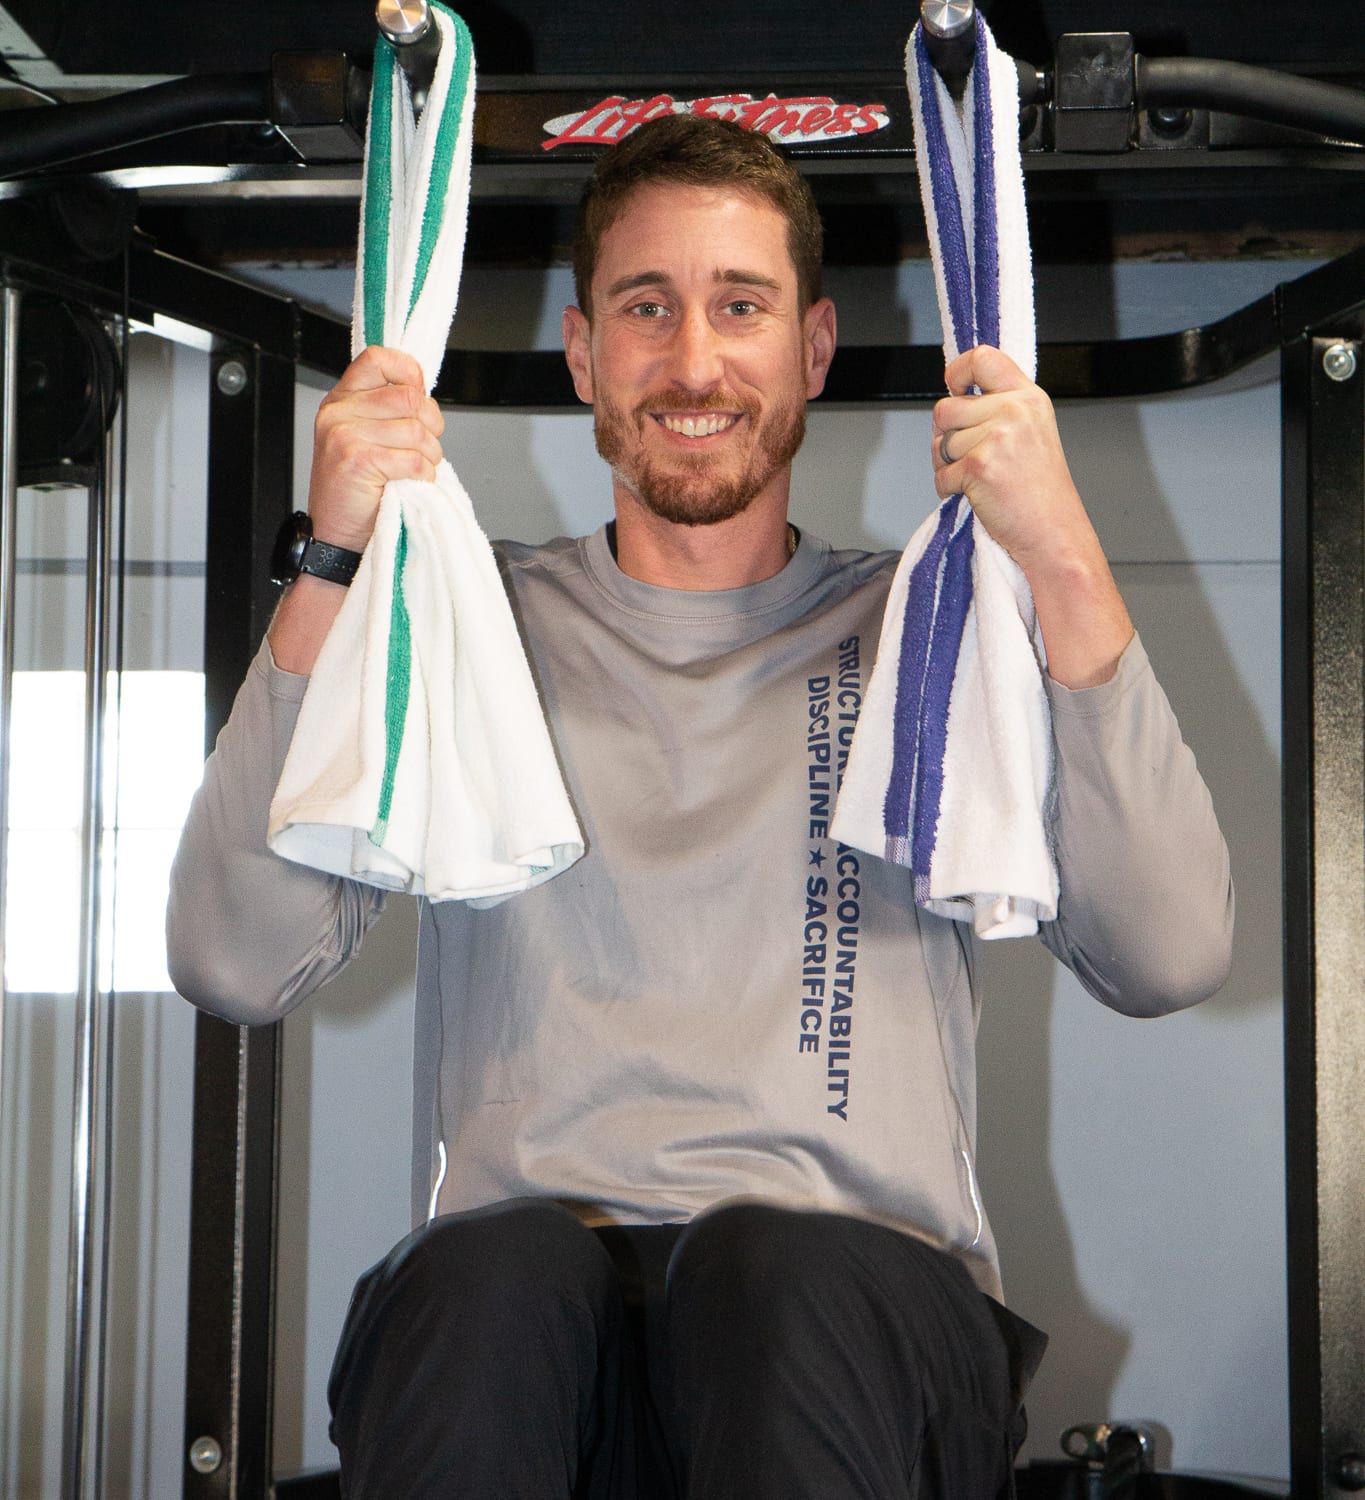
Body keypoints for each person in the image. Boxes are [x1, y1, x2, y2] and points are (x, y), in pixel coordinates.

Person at [167, 114, 1233, 1500]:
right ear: (581, 352)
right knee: (497, 1269)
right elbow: (231, 964)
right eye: (644, 308)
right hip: (523, 1336)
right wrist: (335, 553)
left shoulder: (926, 638)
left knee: (766, 1264)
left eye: (740, 307)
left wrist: (1060, 550)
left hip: (846, 1324)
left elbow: (1167, 956)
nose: (691, 360)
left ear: (813, 350)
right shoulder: (466, 625)